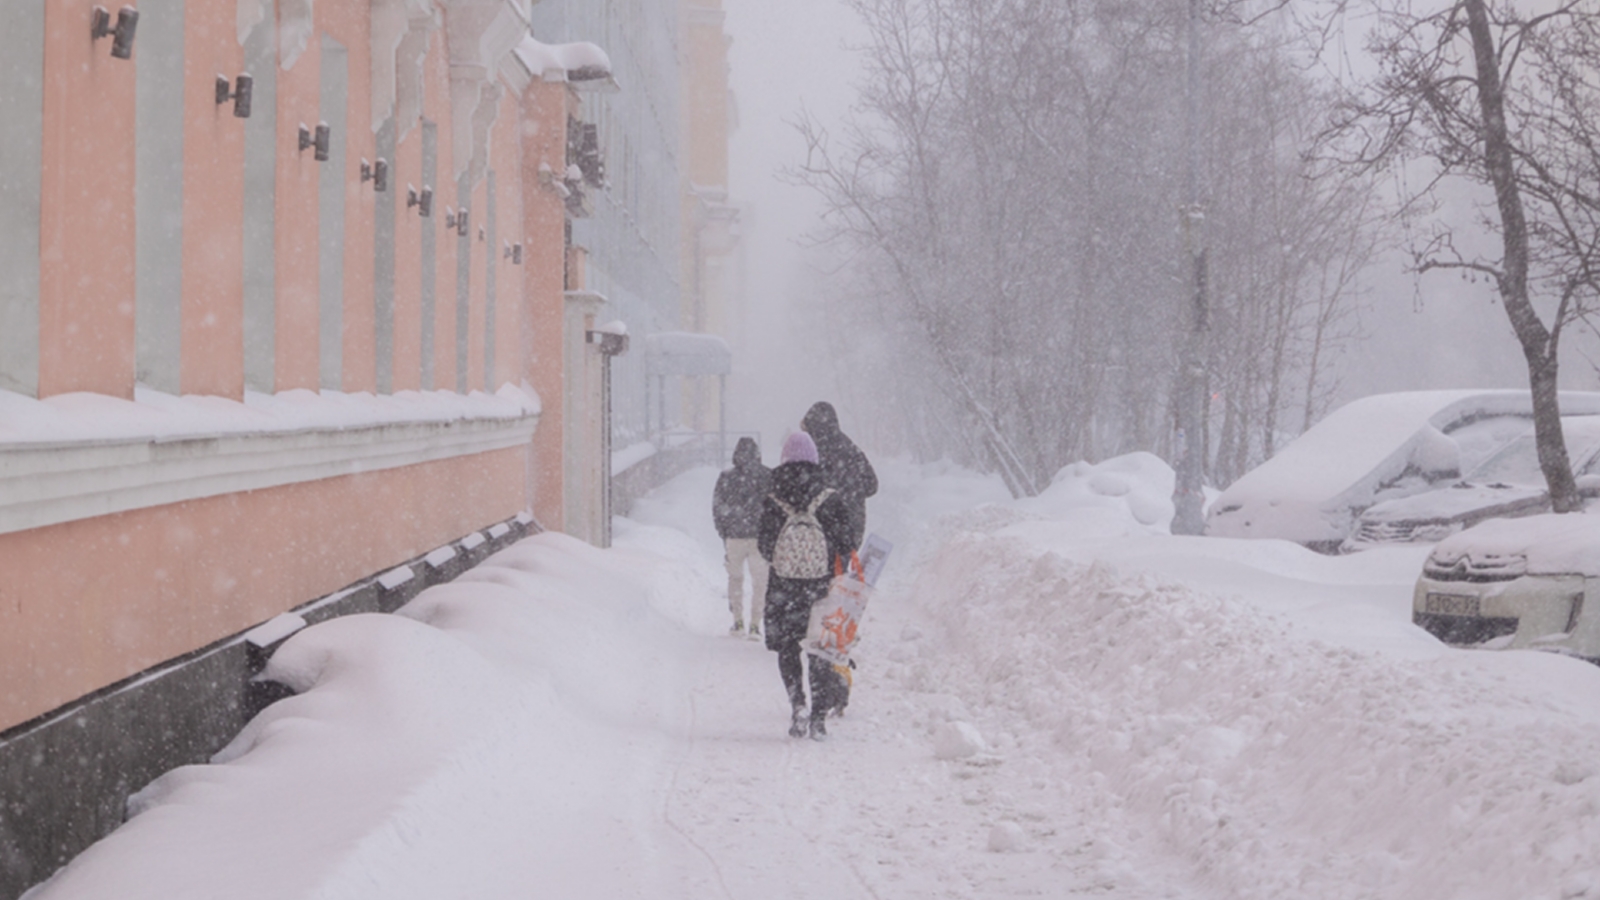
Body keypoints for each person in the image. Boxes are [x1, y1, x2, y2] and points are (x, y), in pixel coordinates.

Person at [759, 431, 854, 740]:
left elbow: (764, 545)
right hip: (820, 587)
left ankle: (797, 703)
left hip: (784, 586)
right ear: (814, 458)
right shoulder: (830, 496)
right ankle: (818, 719)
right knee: (820, 649)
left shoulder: (773, 497)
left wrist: (786, 559)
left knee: (788, 649)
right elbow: (846, 542)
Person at [712, 437, 772, 637]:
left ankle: (737, 621)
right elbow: (774, 509)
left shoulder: (726, 477)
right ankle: (756, 624)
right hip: (760, 538)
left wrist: (724, 531)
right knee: (760, 582)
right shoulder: (767, 476)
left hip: (734, 537)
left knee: (735, 579)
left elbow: (718, 508)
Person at [800, 401, 878, 551]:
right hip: (852, 525)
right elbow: (872, 486)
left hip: (818, 527)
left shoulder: (810, 452)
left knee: (821, 570)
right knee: (841, 569)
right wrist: (851, 492)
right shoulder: (851, 449)